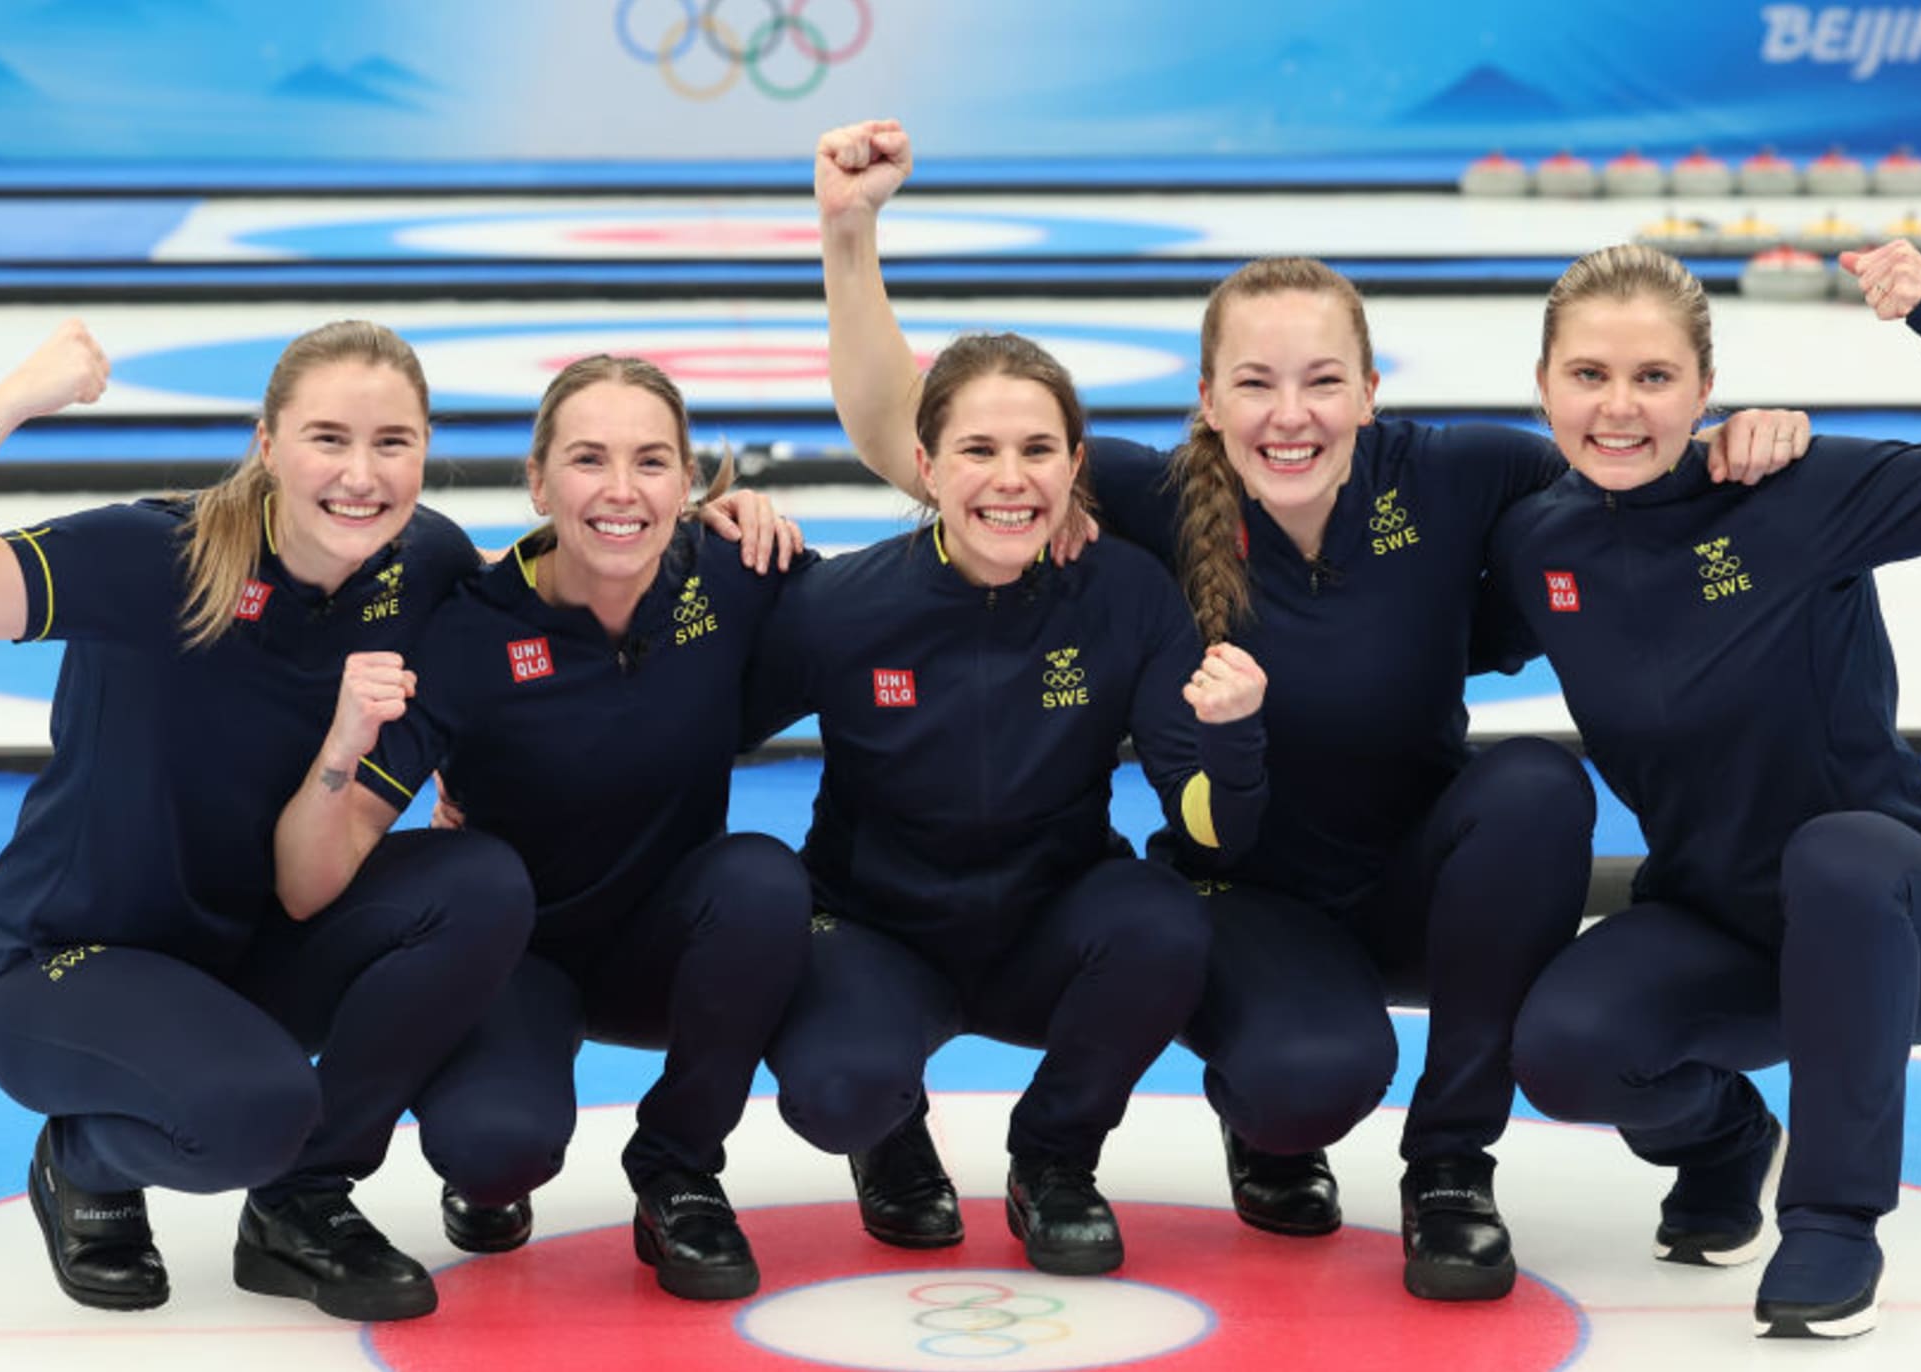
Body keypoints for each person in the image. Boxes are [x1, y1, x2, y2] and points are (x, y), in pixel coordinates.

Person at [811, 118, 1812, 1301]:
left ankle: (1449, 1166)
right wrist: (849, 231)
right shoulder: (1147, 495)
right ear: (1206, 402)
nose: (1290, 415)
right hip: (1246, 898)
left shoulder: (1456, 474)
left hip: (1420, 884)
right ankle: (1269, 1121)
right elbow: (901, 436)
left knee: (1537, 783)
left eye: (1323, 381)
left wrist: (1747, 440)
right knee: (1305, 1078)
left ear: (1371, 391)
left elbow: (1623, 457)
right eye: (1256, 383)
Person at [0, 320, 537, 1322]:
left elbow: (553, 594)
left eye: (393, 442)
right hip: (65, 963)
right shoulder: (154, 557)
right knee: (251, 1113)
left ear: (426, 450)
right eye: (327, 438)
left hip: (245, 948)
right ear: (267, 444)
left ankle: (303, 1201)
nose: (361, 473)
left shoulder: (421, 561)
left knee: (475, 882)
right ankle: (84, 1155)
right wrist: (11, 404)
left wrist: (717, 535)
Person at [1494, 240, 1921, 1339]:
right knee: (1566, 1048)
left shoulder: (1797, 487)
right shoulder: (1540, 542)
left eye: (1652, 378)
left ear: (1703, 389)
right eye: (1588, 376)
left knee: (1837, 848)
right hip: (1724, 928)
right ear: (1542, 385)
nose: (1618, 407)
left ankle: (1831, 1220)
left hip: (1910, 921)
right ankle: (1723, 1137)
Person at [272, 354, 813, 1303]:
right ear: (536, 481)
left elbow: (907, 624)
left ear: (689, 483)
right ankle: (483, 1168)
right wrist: (337, 753)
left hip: (666, 947)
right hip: (514, 958)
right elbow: (322, 865)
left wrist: (1069, 543)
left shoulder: (737, 574)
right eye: (587, 460)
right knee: (494, 1149)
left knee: (762, 879)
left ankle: (679, 1170)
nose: (620, 491)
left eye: (651, 462)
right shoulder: (471, 634)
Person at [745, 330, 1270, 1278]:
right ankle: (891, 1132)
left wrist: (1234, 749)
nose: (1010, 480)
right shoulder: (842, 604)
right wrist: (707, 530)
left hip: (1050, 924)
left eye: (1036, 451)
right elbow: (696, 719)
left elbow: (1206, 821)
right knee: (839, 1091)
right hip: (878, 930)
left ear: (1075, 464)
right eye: (978, 451)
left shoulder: (1125, 594)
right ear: (925, 467)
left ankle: (1055, 1159)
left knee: (1163, 923)